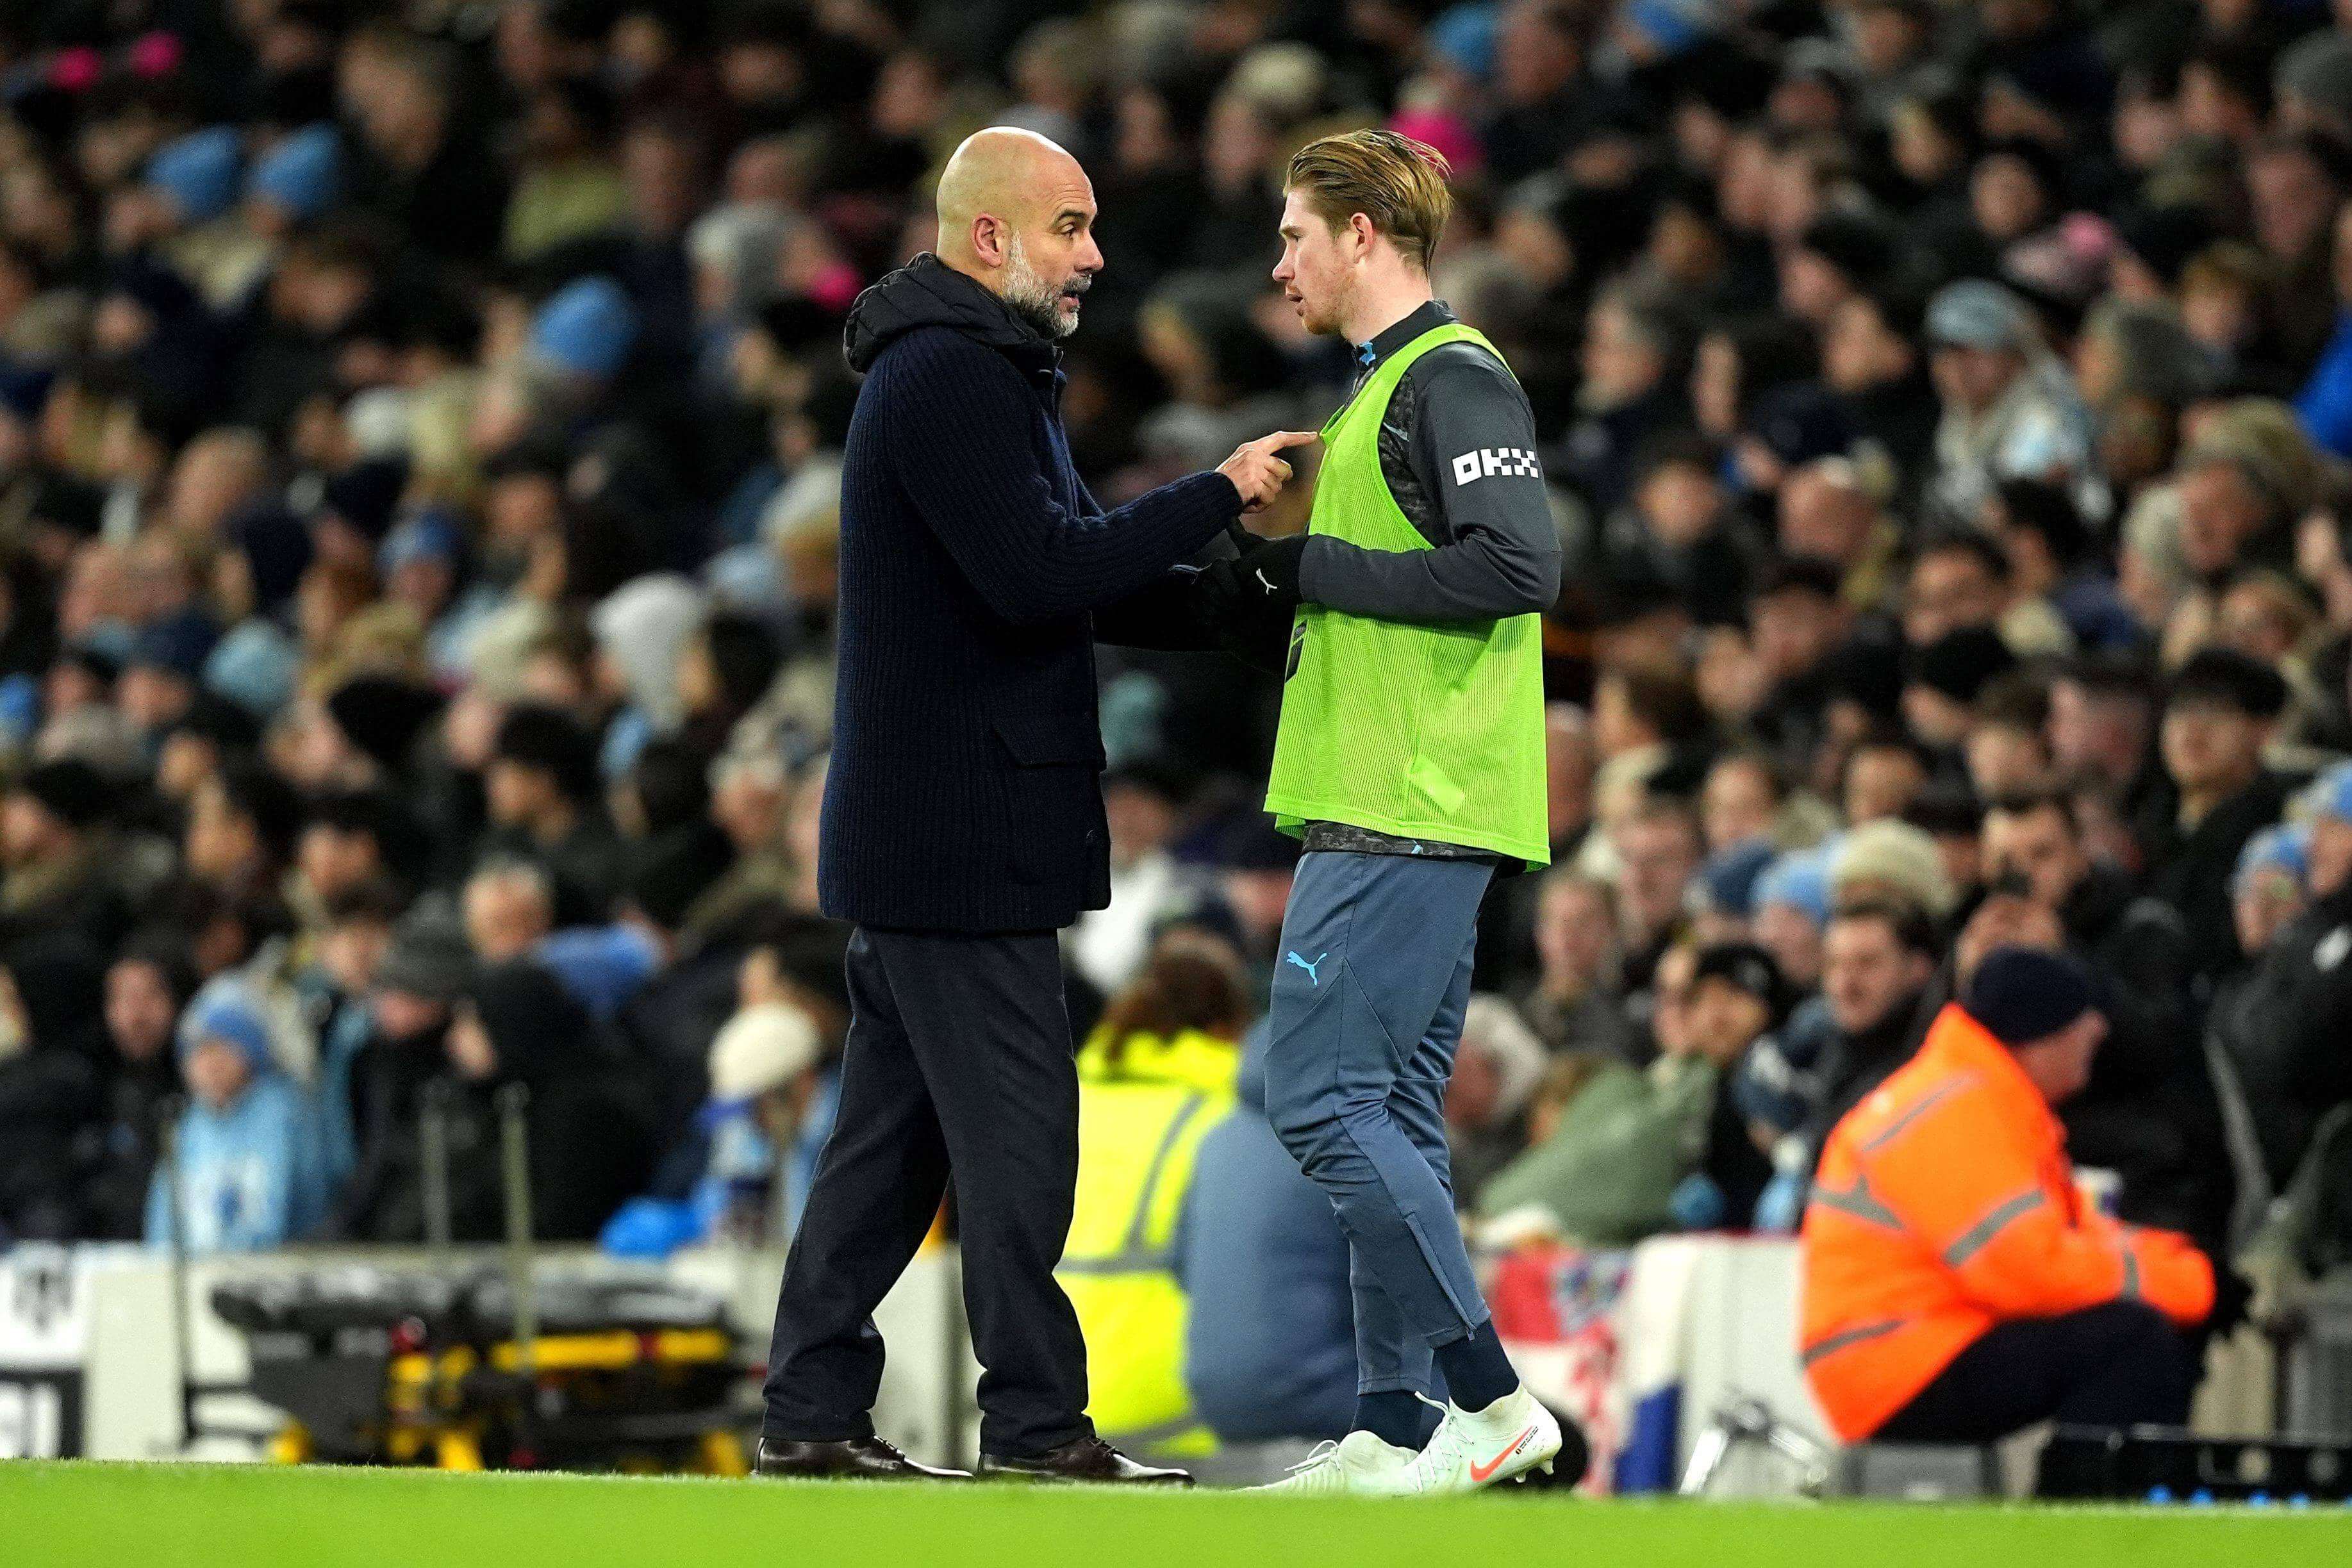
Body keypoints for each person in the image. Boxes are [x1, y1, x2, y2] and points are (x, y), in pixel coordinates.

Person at [760, 126, 1302, 1487]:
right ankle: (1036, 1426)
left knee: (892, 1146)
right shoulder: (950, 373)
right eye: (1069, 226)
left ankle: (809, 1413)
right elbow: (1034, 572)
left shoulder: (969, 368)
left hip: (936, 829)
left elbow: (1076, 578)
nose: (1093, 257)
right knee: (1016, 1134)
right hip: (959, 836)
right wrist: (1213, 493)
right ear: (987, 237)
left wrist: (1246, 604)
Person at [1217, 129, 1567, 1497]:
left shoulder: (1450, 376)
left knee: (1313, 1098)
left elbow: (1517, 560)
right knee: (1389, 1113)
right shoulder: (1384, 393)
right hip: (1402, 799)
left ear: (1363, 233)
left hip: (1404, 803)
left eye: (1296, 232)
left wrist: (1313, 562)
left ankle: (1489, 1396)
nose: (1278, 259)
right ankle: (1394, 1417)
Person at [1800, 947, 2215, 1445]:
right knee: (2131, 1340)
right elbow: (2030, 1273)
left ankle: (2082, 1507)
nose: (2100, 1032)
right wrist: (2188, 1285)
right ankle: (2081, 1519)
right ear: (2044, 1033)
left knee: (2127, 1332)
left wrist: (2177, 1261)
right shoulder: (1961, 1110)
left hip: (1891, 1351)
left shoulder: (1976, 1096)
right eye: (2087, 1020)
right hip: (1897, 1361)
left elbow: (2073, 1234)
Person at [1057, 931, 1246, 1447]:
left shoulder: (1067, 1099)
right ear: (1230, 1026)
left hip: (1046, 1401)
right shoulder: (1227, 1121)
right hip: (1179, 1414)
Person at [145, 976, 327, 1254]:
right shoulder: (188, 1126)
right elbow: (163, 1223)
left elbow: (293, 1208)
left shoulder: (283, 1113)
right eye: (197, 1052)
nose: (208, 1064)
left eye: (220, 1047)